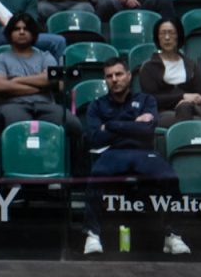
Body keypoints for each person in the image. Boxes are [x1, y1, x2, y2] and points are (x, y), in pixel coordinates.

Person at [80, 57, 190, 256]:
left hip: (143, 152)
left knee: (170, 178)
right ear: (105, 80)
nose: (114, 79)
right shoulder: (96, 105)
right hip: (112, 153)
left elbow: (148, 130)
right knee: (96, 176)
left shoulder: (146, 100)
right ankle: (93, 235)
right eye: (109, 76)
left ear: (129, 76)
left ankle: (173, 236)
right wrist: (134, 124)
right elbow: (95, 137)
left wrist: (111, 125)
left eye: (119, 74)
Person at [0, 14, 81, 145]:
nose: (22, 32)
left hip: (47, 106)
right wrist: (41, 86)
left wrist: (15, 80)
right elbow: (1, 86)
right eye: (16, 29)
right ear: (9, 34)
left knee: (74, 124)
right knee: (20, 131)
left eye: (26, 29)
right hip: (13, 106)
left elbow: (54, 81)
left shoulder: (46, 56)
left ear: (33, 34)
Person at [137, 18, 201, 128]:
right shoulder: (149, 67)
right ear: (157, 38)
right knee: (186, 111)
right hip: (161, 113)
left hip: (193, 111)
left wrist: (195, 100)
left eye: (171, 33)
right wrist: (182, 97)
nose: (167, 38)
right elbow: (151, 99)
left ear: (178, 36)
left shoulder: (191, 65)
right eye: (162, 33)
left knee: (186, 109)